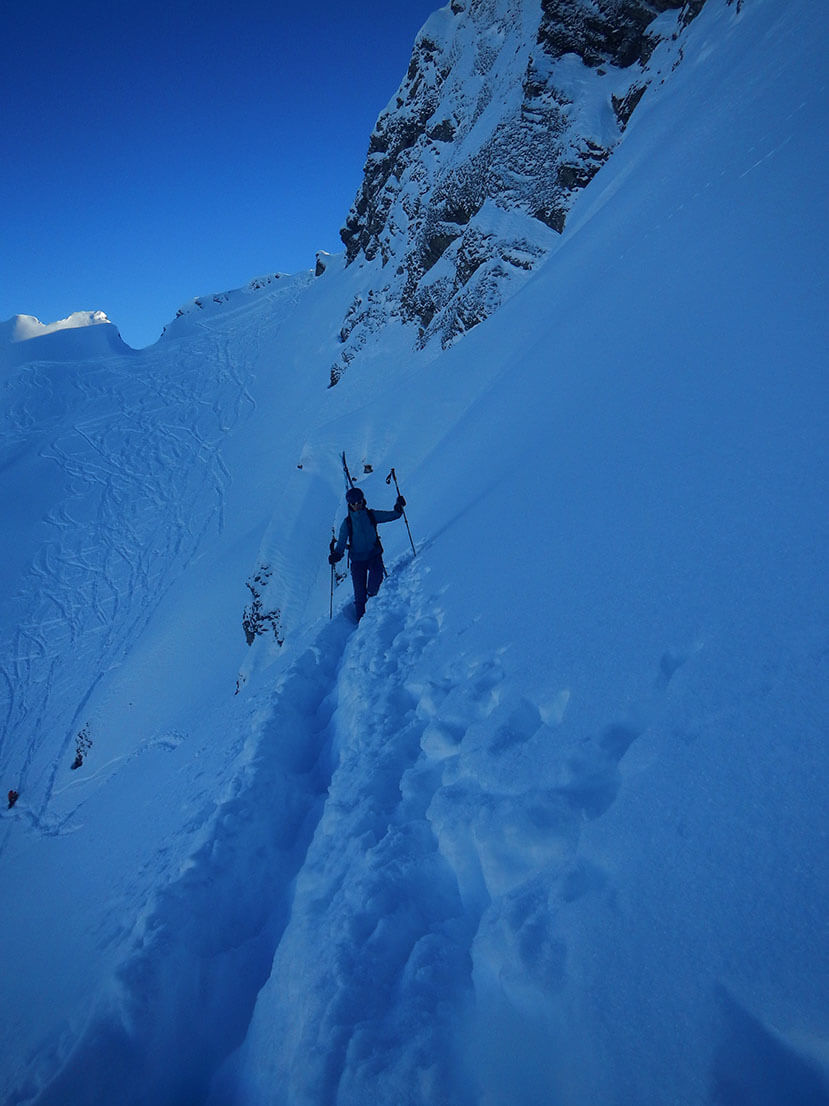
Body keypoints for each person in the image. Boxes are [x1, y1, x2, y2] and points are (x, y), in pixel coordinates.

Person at [329, 486, 406, 620]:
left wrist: (398, 507)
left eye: (359, 502)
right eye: (354, 503)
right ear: (349, 504)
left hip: (374, 556)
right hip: (357, 561)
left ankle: (371, 610)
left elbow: (392, 515)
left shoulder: (371, 515)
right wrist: (337, 555)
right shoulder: (347, 523)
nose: (357, 505)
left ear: (363, 501)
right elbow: (341, 543)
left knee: (374, 584)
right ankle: (361, 623)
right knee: (359, 595)